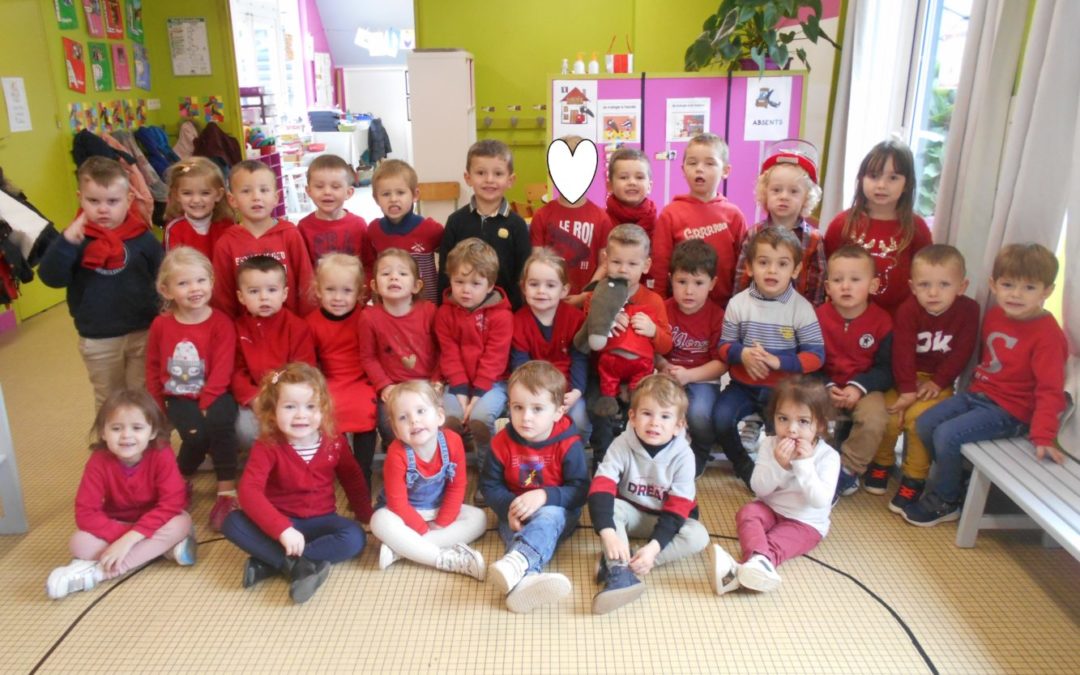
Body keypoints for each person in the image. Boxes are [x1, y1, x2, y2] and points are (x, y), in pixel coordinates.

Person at [904, 243, 1069, 526]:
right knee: (926, 422)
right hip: (980, 396)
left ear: (1047, 291)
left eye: (1029, 288)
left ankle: (947, 500)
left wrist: (1043, 435)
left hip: (1012, 411)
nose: (1016, 294)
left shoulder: (1048, 336)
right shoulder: (994, 316)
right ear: (993, 285)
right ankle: (954, 477)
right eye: (1008, 285)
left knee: (947, 435)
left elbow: (1050, 390)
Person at [221, 363, 372, 604]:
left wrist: (366, 515)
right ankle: (296, 566)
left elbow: (351, 476)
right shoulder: (267, 444)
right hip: (280, 524)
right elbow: (249, 491)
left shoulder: (334, 441)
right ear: (273, 411)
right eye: (290, 407)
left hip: (321, 521)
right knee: (231, 522)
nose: (301, 415)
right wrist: (282, 528)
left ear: (323, 409)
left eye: (310, 407)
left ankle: (272, 563)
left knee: (354, 537)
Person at [38, 156, 163, 409]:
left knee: (143, 393)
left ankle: (146, 444)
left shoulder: (143, 238)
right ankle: (111, 446)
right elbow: (51, 278)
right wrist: (66, 243)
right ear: (80, 197)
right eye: (93, 201)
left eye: (112, 201)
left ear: (128, 200)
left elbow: (162, 277)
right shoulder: (76, 238)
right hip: (98, 337)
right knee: (109, 399)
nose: (103, 209)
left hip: (142, 331)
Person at [46, 390, 195, 599]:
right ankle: (162, 550)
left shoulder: (161, 454)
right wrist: (124, 538)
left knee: (181, 523)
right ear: (103, 433)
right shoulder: (99, 461)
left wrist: (128, 541)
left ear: (152, 432)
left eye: (137, 428)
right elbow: (86, 513)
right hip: (121, 524)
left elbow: (172, 503)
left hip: (155, 523)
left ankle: (97, 574)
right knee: (79, 542)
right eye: (116, 428)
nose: (126, 435)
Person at [868, 244, 979, 513]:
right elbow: (902, 351)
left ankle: (914, 478)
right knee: (891, 416)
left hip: (937, 382)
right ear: (912, 286)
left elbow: (962, 352)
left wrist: (938, 382)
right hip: (904, 376)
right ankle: (882, 464)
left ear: (961, 286)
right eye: (925, 284)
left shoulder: (969, 310)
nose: (933, 292)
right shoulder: (908, 310)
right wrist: (906, 389)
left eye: (944, 284)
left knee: (919, 422)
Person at [588, 374, 709, 614]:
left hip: (665, 517)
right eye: (647, 414)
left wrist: (654, 550)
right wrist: (609, 533)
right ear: (632, 417)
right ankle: (619, 572)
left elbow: (677, 510)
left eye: (665, 416)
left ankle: (624, 562)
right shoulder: (622, 443)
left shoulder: (684, 456)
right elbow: (601, 486)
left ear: (679, 425)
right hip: (631, 513)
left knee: (698, 536)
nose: (655, 423)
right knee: (611, 511)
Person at [715, 227, 825, 487]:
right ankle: (744, 465)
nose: (772, 271)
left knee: (785, 434)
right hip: (743, 386)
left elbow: (816, 356)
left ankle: (782, 473)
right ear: (751, 267)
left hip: (783, 392)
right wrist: (741, 354)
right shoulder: (738, 304)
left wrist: (778, 362)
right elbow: (723, 347)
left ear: (796, 270)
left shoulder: (801, 308)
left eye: (782, 264)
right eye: (764, 263)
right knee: (719, 419)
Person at [709, 376, 840, 595]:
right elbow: (759, 489)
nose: (792, 429)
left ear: (821, 425)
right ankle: (755, 566)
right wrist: (779, 466)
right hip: (770, 509)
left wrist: (803, 464)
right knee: (748, 512)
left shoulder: (828, 456)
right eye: (783, 419)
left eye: (803, 421)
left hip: (805, 523)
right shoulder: (769, 444)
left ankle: (742, 570)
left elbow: (819, 501)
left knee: (774, 541)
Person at [481, 361, 589, 613]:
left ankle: (517, 561)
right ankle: (525, 577)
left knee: (548, 515)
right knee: (523, 535)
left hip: (557, 512)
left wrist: (544, 495)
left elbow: (581, 490)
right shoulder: (501, 442)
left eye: (537, 409)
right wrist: (510, 508)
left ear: (558, 412)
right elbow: (489, 485)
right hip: (515, 514)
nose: (526, 417)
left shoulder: (569, 444)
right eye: (518, 407)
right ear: (509, 407)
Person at [146, 247, 239, 531]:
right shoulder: (161, 325)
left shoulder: (221, 322)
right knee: (195, 436)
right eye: (183, 283)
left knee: (222, 427)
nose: (194, 289)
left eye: (200, 280)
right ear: (167, 290)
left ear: (211, 282)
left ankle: (226, 492)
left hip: (216, 392)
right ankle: (177, 479)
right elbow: (152, 366)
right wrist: (157, 404)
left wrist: (208, 401)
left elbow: (223, 367)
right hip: (178, 396)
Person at [371, 381, 486, 579]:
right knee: (378, 521)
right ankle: (443, 559)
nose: (414, 421)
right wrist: (422, 528)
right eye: (403, 417)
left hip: (438, 508)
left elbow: (457, 486)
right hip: (404, 514)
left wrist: (442, 522)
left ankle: (402, 549)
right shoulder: (397, 453)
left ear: (440, 416)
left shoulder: (452, 441)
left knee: (480, 519)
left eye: (421, 411)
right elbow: (397, 504)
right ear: (396, 431)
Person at [586, 223, 673, 462]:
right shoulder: (597, 296)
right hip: (603, 375)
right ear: (606, 260)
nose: (623, 270)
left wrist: (653, 330)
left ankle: (637, 460)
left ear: (646, 265)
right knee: (599, 411)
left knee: (644, 409)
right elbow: (585, 341)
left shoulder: (654, 301)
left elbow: (666, 346)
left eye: (632, 264)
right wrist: (602, 324)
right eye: (616, 262)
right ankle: (602, 460)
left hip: (640, 376)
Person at [815, 246, 894, 501]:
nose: (845, 287)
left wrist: (858, 386)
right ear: (828, 287)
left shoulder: (883, 322)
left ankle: (847, 469)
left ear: (873, 285)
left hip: (865, 389)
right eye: (838, 280)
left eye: (855, 280)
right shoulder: (816, 317)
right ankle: (814, 464)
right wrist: (826, 385)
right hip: (823, 385)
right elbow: (808, 362)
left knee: (876, 418)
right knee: (802, 409)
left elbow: (887, 369)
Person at [824, 139, 931, 316]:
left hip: (898, 323)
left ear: (907, 184)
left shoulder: (917, 228)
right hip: (847, 320)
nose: (881, 185)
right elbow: (827, 274)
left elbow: (926, 278)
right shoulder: (842, 224)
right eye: (874, 176)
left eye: (893, 178)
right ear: (861, 178)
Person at [435, 238, 513, 477]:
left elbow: (495, 358)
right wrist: (459, 393)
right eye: (459, 282)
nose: (465, 290)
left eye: (475, 283)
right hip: (456, 384)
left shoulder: (502, 316)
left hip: (492, 383)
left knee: (480, 419)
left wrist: (476, 397)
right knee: (446, 419)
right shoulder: (444, 313)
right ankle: (448, 473)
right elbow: (449, 354)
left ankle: (488, 474)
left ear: (490, 286)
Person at [656, 239, 728, 477]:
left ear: (712, 284)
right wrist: (664, 365)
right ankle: (662, 452)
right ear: (670, 280)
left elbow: (721, 364)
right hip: (668, 376)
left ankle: (701, 449)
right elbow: (653, 349)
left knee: (699, 414)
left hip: (702, 378)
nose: (689, 291)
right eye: (682, 282)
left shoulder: (717, 316)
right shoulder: (662, 309)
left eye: (698, 283)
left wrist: (689, 376)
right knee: (658, 409)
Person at [649, 133, 747, 306]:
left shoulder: (734, 215)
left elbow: (743, 266)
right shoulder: (671, 214)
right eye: (692, 163)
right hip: (681, 308)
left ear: (725, 171)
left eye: (709, 163)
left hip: (724, 308)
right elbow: (660, 265)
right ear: (683, 169)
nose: (699, 169)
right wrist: (660, 304)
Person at [357, 248, 441, 450]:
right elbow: (368, 357)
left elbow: (442, 350)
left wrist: (437, 381)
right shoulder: (369, 317)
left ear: (416, 285)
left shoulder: (429, 311)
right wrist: (384, 385)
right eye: (386, 273)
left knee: (434, 420)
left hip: (427, 383)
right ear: (375, 285)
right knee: (388, 423)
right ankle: (396, 455)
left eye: (402, 273)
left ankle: (433, 457)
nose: (394, 277)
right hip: (393, 386)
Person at [305, 254, 378, 485]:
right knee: (330, 412)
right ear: (318, 290)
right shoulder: (310, 322)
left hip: (362, 379)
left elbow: (374, 354)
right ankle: (345, 469)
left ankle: (363, 472)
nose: (338, 298)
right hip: (329, 380)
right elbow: (309, 362)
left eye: (347, 291)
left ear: (359, 293)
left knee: (364, 412)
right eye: (330, 290)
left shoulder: (365, 317)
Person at [231, 256, 317, 451]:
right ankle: (265, 461)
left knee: (299, 427)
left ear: (284, 293)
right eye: (254, 291)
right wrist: (253, 398)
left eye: (272, 290)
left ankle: (290, 461)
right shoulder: (237, 329)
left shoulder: (297, 327)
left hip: (291, 398)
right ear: (241, 297)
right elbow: (236, 371)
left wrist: (282, 399)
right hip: (254, 398)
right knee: (245, 431)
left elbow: (303, 370)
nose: (264, 297)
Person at [211, 159, 315, 318]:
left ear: (276, 198)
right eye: (246, 191)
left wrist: (308, 324)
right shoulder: (226, 243)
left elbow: (306, 282)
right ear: (232, 200)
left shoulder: (290, 234)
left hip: (290, 328)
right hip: (246, 333)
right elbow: (222, 296)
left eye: (264, 190)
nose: (256, 197)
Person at [439, 139, 531, 310]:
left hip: (504, 312)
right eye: (481, 173)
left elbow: (523, 275)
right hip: (461, 312)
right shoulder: (456, 221)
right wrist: (442, 310)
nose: (489, 180)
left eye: (498, 174)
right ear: (468, 177)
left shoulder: (517, 225)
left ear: (510, 180)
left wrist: (518, 313)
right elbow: (445, 273)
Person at [510, 248, 589, 436]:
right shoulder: (517, 321)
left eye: (550, 285)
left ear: (564, 290)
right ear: (523, 287)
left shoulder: (575, 319)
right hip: (532, 391)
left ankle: (573, 458)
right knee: (533, 424)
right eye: (534, 284)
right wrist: (535, 396)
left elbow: (580, 358)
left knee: (579, 420)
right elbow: (520, 364)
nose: (541, 291)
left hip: (568, 388)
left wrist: (577, 390)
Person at [734, 147, 826, 305]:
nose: (784, 196)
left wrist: (811, 317)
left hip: (796, 318)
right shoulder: (753, 234)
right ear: (765, 194)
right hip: (755, 312)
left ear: (806, 198)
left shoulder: (813, 239)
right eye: (776, 190)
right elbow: (741, 277)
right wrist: (737, 308)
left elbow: (817, 286)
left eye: (793, 191)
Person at [529, 135, 612, 304]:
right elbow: (536, 260)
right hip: (549, 300)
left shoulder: (601, 218)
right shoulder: (542, 215)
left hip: (586, 301)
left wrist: (585, 295)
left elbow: (604, 264)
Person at [360, 159, 443, 304]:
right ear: (376, 199)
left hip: (426, 309)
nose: (393, 199)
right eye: (386, 194)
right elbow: (371, 266)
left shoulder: (431, 229)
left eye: (400, 193)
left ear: (415, 195)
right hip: (388, 308)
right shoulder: (373, 230)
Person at [297, 154, 367, 265]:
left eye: (335, 187)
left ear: (349, 193)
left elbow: (368, 264)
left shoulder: (359, 225)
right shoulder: (303, 227)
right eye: (319, 186)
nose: (327, 192)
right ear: (309, 191)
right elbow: (304, 268)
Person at [162, 156, 233, 258]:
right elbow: (175, 266)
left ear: (218, 194)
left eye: (205, 193)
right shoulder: (174, 229)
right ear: (176, 195)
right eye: (187, 193)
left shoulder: (227, 223)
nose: (196, 200)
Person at [605, 147, 657, 239]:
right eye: (624, 177)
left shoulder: (657, 223)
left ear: (649, 186)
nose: (632, 182)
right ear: (610, 186)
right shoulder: (602, 220)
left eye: (639, 177)